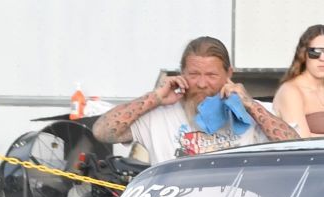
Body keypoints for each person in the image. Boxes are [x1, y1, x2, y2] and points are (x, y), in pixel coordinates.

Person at [93, 36, 297, 163]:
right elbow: (102, 132)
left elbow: (296, 148)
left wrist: (251, 105)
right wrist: (155, 97)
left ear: (229, 74)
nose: (201, 83)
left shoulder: (250, 112)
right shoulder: (158, 115)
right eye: (193, 74)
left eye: (211, 75)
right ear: (182, 73)